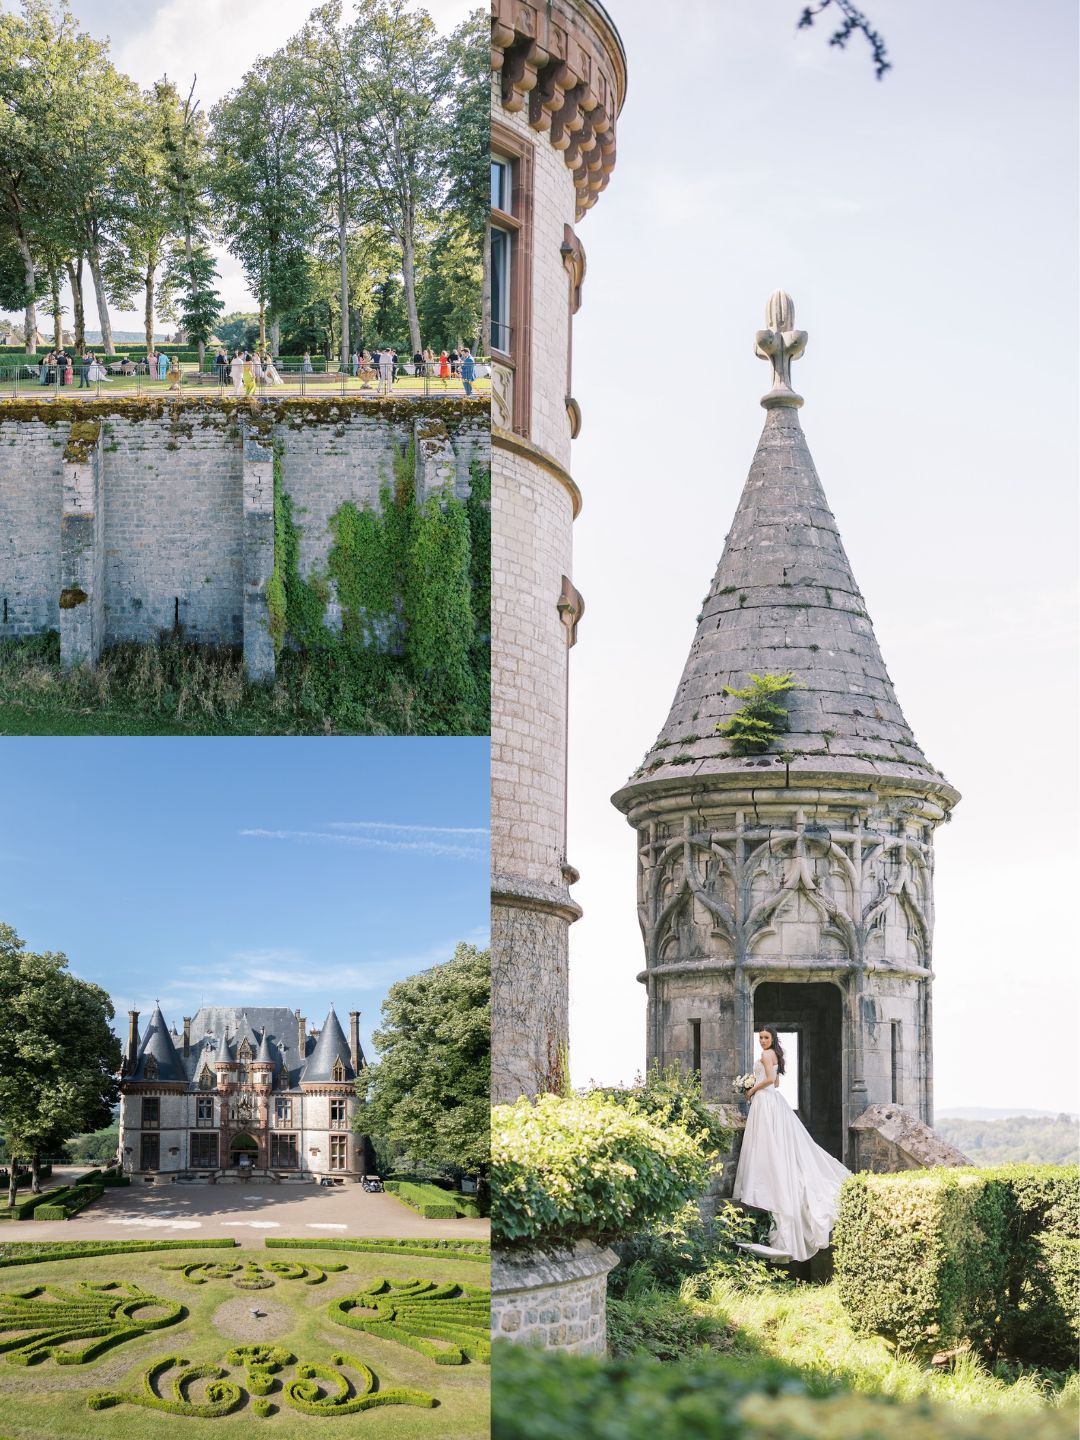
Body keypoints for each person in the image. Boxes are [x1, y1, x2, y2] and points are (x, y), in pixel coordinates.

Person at [732, 1026, 851, 1262]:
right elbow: (776, 1084)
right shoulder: (774, 1055)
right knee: (773, 1141)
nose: (763, 1041)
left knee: (766, 1142)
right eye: (761, 1038)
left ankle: (768, 1177)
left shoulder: (767, 1055)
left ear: (773, 1039)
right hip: (772, 1101)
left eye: (766, 1038)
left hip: (765, 1102)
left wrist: (752, 1089)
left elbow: (769, 1080)